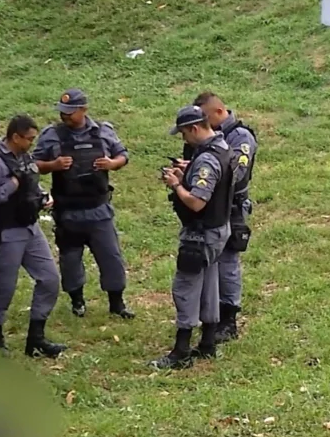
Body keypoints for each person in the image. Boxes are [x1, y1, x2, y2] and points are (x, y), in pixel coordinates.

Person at [32, 88, 134, 320]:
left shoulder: (103, 131)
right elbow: (32, 164)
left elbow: (123, 155)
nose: (65, 116)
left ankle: (117, 303)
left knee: (111, 258)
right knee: (70, 260)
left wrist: (112, 163)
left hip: (99, 209)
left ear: (84, 110)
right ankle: (77, 301)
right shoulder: (51, 135)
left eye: (70, 112)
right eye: (62, 112)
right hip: (68, 212)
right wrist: (53, 165)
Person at [0, 114, 66, 359]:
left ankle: (36, 338)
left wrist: (42, 197)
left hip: (30, 228)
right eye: (29, 139)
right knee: (5, 287)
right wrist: (12, 184)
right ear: (15, 137)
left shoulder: (24, 156)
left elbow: (31, 182)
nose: (32, 144)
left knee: (49, 279)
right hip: (6, 231)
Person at [149, 105, 235, 370]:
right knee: (209, 283)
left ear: (195, 128)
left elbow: (197, 202)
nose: (184, 139)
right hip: (219, 229)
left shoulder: (207, 159)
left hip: (201, 234)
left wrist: (175, 184)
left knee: (186, 288)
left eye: (184, 134)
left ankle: (181, 351)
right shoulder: (221, 147)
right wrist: (190, 170)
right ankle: (208, 343)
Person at [192, 92, 258, 343]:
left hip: (231, 206)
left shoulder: (240, 137)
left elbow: (238, 173)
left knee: (227, 262)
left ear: (219, 112)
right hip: (209, 205)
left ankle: (228, 319)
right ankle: (210, 313)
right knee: (208, 259)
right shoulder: (205, 137)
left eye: (206, 118)